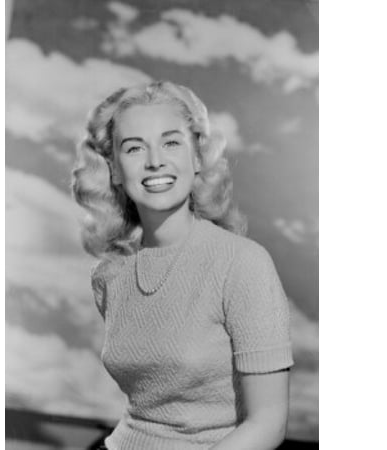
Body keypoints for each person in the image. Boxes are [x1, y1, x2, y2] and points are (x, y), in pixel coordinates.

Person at [72, 81, 294, 450]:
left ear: (197, 158)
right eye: (134, 147)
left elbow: (268, 423)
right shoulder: (110, 275)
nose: (154, 161)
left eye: (171, 143)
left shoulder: (243, 264)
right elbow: (147, 409)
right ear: (114, 169)